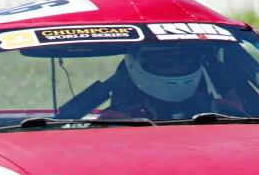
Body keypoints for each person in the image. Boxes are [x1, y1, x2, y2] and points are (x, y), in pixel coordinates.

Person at [101, 45, 248, 120]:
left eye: (186, 62)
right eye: (164, 64)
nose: (177, 69)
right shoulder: (117, 120)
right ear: (135, 65)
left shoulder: (223, 111)